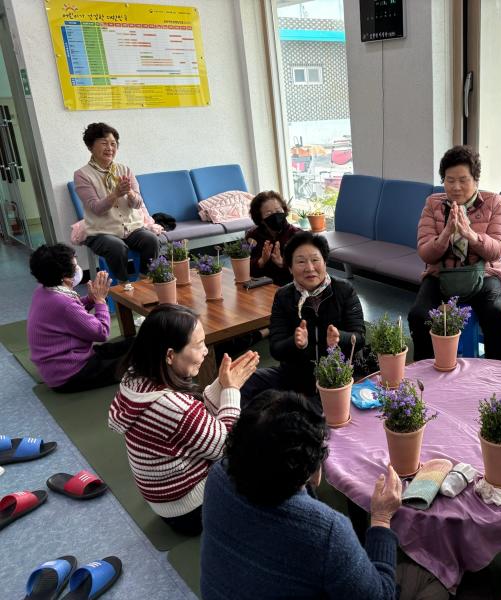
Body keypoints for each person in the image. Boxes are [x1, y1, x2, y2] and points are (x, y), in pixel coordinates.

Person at [201, 389, 448, 600]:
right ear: (309, 468)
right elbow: (380, 596)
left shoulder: (217, 477)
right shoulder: (327, 532)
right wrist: (381, 518)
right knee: (434, 584)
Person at [108, 305, 259, 535]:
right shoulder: (171, 407)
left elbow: (193, 421)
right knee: (259, 449)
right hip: (192, 511)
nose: (206, 352)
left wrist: (222, 384)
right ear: (170, 355)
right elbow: (228, 446)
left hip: (167, 502)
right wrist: (231, 390)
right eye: (199, 346)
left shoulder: (134, 379)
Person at [408, 145, 501, 361]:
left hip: (484, 275)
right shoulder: (433, 204)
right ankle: (425, 375)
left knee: (497, 312)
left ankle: (497, 373)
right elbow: (426, 253)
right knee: (419, 315)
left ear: (476, 180)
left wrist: (471, 235)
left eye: (463, 180)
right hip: (441, 274)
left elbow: (498, 249)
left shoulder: (494, 203)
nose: (455, 187)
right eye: (449, 180)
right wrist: (445, 235)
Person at [240, 231, 365, 401]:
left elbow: (360, 337)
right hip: (295, 376)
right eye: (300, 262)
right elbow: (276, 348)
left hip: (337, 377)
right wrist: (296, 343)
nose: (310, 268)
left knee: (312, 413)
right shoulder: (284, 296)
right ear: (290, 268)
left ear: (325, 262)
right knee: (244, 382)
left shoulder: (344, 290)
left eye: (315, 260)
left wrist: (340, 338)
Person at [26, 243, 133, 392]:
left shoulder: (43, 290)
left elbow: (70, 314)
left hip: (67, 362)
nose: (77, 267)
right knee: (142, 361)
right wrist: (100, 301)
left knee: (136, 343)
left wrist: (90, 299)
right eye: (75, 263)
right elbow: (101, 333)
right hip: (71, 374)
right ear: (64, 275)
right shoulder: (62, 302)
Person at [74, 122, 159, 282]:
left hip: (131, 229)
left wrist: (130, 193)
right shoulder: (82, 175)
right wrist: (115, 194)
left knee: (151, 240)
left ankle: (145, 279)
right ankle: (123, 286)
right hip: (101, 232)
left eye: (113, 144)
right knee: (116, 247)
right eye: (104, 143)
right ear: (91, 146)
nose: (110, 148)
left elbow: (138, 204)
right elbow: (96, 208)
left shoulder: (125, 170)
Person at [245, 190, 301, 286]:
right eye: (269, 213)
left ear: (284, 211)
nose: (275, 216)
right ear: (260, 219)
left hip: (290, 287)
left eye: (278, 211)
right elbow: (244, 267)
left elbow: (307, 268)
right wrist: (261, 261)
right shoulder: (252, 236)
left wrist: (282, 263)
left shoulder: (297, 235)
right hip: (262, 288)